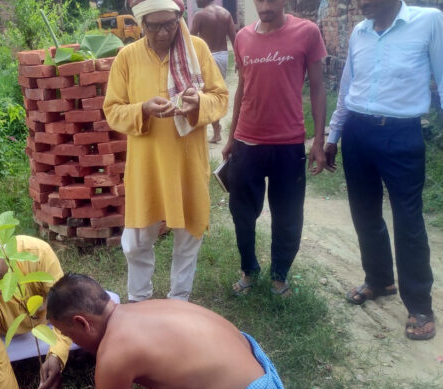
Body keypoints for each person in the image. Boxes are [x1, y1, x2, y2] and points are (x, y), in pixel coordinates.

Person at [325, 0, 442, 340]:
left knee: (409, 219)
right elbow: (348, 90)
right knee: (364, 213)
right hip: (358, 134)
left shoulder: (430, 21)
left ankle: (419, 305)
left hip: (402, 135)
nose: (357, 3)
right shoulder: (360, 32)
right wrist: (334, 136)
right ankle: (379, 279)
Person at [104, 0, 228, 303]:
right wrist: (143, 109)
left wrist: (198, 102)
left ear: (179, 19)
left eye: (169, 24)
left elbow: (221, 98)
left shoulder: (196, 48)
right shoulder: (127, 57)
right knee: (136, 240)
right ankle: (139, 299)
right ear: (141, 24)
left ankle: (179, 300)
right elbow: (113, 110)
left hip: (188, 160)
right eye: (154, 26)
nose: (162, 32)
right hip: (147, 165)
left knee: (188, 236)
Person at [222, 0, 327, 296]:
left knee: (288, 215)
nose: (265, 6)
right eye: (260, 0)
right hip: (247, 143)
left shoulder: (307, 32)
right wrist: (231, 136)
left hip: (289, 145)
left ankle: (279, 276)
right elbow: (243, 86)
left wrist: (318, 140)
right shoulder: (242, 36)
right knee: (242, 213)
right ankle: (249, 270)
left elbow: (318, 86)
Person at [46, 273, 285, 389]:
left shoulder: (113, 356)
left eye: (68, 334)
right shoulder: (141, 309)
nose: (71, 341)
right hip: (261, 371)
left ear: (82, 323)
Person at [0, 232, 121, 389]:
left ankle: (70, 345)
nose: (4, 292)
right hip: (13, 336)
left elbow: (65, 308)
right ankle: (74, 344)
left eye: (5, 278)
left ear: (9, 256)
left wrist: (56, 356)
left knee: (107, 307)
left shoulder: (36, 252)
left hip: (52, 321)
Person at [191, 0, 237, 143]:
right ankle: (217, 127)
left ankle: (216, 131)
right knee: (217, 92)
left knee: (209, 94)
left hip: (208, 57)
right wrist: (238, 59)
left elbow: (190, 39)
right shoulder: (226, 13)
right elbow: (235, 38)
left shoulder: (200, 15)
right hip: (223, 56)